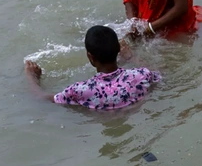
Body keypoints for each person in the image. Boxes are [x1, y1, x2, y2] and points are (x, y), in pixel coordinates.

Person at [25, 25, 161, 110]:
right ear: (118, 50)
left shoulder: (81, 91)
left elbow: (41, 98)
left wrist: (32, 76)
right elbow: (158, 74)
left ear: (90, 57)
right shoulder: (140, 76)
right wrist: (131, 58)